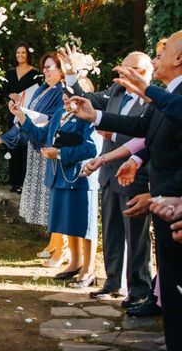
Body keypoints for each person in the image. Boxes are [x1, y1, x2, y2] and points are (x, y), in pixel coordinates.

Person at [69, 30, 182, 350]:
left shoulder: (172, 97)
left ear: (179, 58)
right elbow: (142, 129)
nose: (158, 56)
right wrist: (96, 115)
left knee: (177, 280)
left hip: (173, 200)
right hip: (160, 198)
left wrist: (146, 90)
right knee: (172, 279)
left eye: (165, 51)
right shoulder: (166, 94)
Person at [61, 49, 154, 307]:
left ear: (143, 73)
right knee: (112, 231)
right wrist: (70, 76)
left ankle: (139, 288)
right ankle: (113, 281)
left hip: (134, 175)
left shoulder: (151, 100)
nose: (120, 73)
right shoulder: (115, 93)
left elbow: (144, 136)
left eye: (128, 68)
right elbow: (84, 101)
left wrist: (112, 137)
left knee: (136, 236)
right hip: (108, 174)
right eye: (121, 67)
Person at [0, 52, 68, 265]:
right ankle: (53, 242)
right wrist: (5, 134)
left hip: (49, 148)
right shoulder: (42, 89)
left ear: (62, 70)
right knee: (44, 201)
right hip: (35, 147)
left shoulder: (63, 92)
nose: (47, 71)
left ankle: (62, 248)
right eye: (45, 67)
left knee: (53, 201)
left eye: (51, 67)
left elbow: (55, 120)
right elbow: (27, 116)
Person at [11, 91, 98, 286]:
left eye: (71, 100)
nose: (66, 104)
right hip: (58, 176)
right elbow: (42, 136)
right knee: (69, 223)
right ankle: (75, 262)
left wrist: (59, 153)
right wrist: (21, 116)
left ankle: (89, 269)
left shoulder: (89, 116)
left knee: (84, 224)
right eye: (65, 100)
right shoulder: (59, 113)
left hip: (80, 176)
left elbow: (92, 149)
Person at [0, 42, 43, 192]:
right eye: (18, 53)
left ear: (28, 55)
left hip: (27, 114)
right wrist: (9, 94)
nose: (20, 55)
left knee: (25, 146)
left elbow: (39, 93)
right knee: (13, 145)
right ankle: (15, 182)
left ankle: (25, 184)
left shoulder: (35, 73)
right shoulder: (10, 73)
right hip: (12, 113)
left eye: (23, 53)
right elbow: (3, 91)